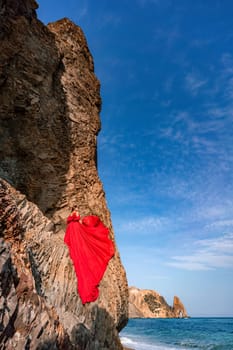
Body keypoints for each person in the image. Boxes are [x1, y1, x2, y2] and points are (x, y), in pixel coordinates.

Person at [64, 210, 115, 304]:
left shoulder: (72, 218)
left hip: (73, 229)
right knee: (80, 249)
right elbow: (76, 219)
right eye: (75, 209)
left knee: (78, 247)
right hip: (74, 229)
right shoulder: (75, 216)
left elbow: (72, 220)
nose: (77, 210)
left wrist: (75, 219)